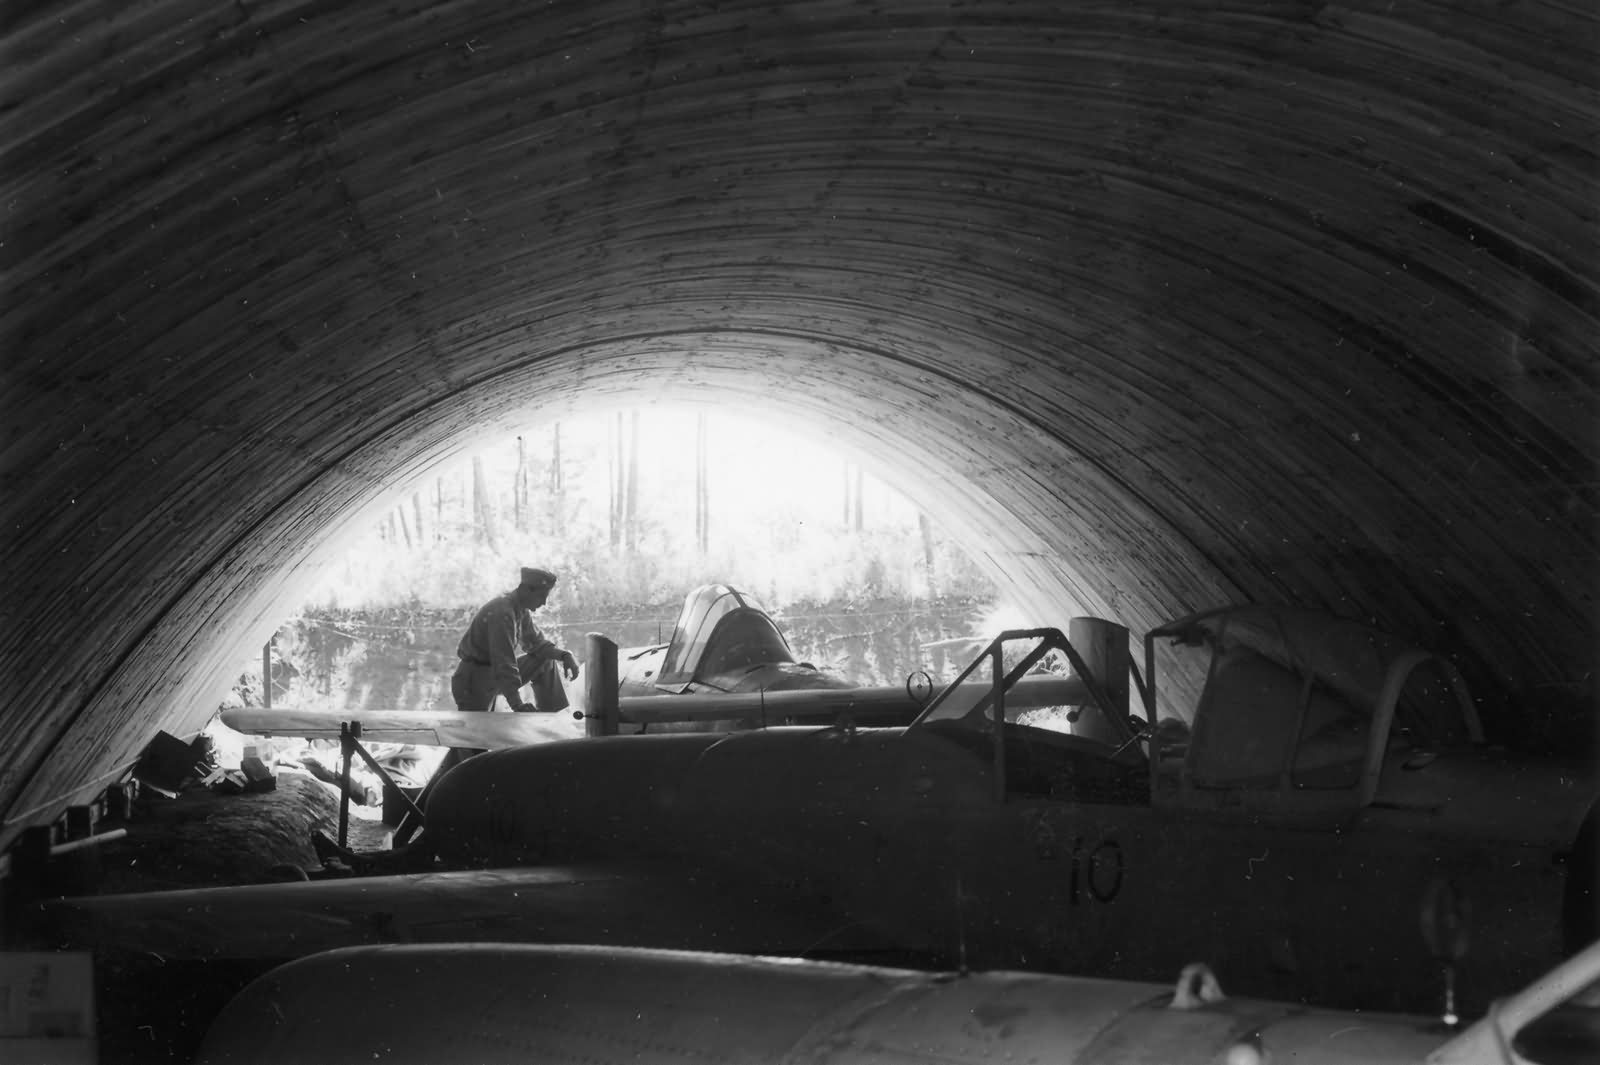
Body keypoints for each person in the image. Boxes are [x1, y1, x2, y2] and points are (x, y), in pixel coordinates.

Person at [451, 566, 580, 713]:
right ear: (526, 590)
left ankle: (549, 718)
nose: (544, 603)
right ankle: (531, 715)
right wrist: (517, 705)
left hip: (492, 674)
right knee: (478, 733)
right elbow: (504, 662)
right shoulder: (502, 613)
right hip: (474, 682)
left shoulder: (520, 608)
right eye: (541, 596)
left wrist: (565, 655)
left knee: (546, 659)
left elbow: (537, 644)